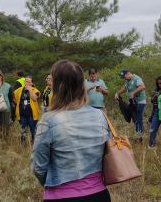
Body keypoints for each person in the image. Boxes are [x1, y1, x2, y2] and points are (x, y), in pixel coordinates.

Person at [31, 60, 111, 202]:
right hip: (99, 194)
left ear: (57, 85)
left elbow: (38, 167)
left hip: (61, 195)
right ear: (81, 84)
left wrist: (52, 183)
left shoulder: (48, 120)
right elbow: (106, 153)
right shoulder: (100, 115)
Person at [114, 70, 146, 140]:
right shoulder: (127, 80)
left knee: (138, 118)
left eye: (124, 76)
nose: (124, 78)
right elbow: (125, 88)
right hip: (133, 103)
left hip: (140, 102)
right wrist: (117, 93)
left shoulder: (136, 78)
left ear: (128, 74)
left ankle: (139, 137)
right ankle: (139, 135)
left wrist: (133, 92)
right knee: (135, 119)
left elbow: (142, 86)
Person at [14, 76, 40, 145]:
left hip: (32, 115)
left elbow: (34, 98)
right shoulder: (19, 90)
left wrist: (30, 90)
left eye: (29, 82)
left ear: (32, 83)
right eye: (26, 81)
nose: (27, 83)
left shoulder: (35, 90)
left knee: (33, 131)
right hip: (22, 115)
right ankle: (23, 145)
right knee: (23, 131)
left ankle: (34, 144)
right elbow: (14, 97)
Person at [148, 76, 161, 148]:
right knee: (152, 129)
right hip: (157, 111)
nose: (160, 85)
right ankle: (151, 145)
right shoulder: (156, 90)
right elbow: (152, 100)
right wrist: (155, 96)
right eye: (158, 83)